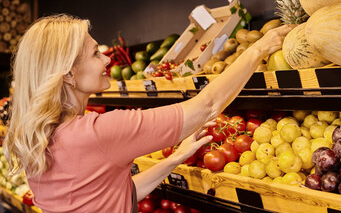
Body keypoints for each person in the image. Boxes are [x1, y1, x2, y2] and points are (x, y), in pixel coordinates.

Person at [3, 14, 294, 213]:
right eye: (94, 54)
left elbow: (115, 197)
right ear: (68, 74)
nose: (106, 58)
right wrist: (259, 49)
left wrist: (177, 159)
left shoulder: (41, 135)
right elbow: (207, 105)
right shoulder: (98, 133)